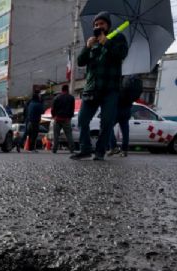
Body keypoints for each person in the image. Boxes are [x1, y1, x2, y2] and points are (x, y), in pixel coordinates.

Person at [72, 11, 129, 161]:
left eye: (101, 24)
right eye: (96, 24)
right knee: (82, 120)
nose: (98, 26)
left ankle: (100, 151)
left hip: (110, 88)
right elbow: (80, 62)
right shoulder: (92, 42)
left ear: (108, 25)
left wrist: (106, 42)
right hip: (91, 88)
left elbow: (121, 55)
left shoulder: (118, 38)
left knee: (107, 122)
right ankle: (85, 149)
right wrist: (87, 47)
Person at [110, 75, 143, 156]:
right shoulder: (132, 84)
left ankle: (113, 147)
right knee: (125, 131)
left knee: (108, 128)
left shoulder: (121, 82)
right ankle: (124, 150)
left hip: (117, 109)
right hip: (127, 109)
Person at [50, 85, 75, 154]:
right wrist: (69, 117)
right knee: (69, 134)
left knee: (56, 135)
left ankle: (54, 149)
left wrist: (54, 116)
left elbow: (52, 109)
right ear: (68, 89)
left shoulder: (56, 98)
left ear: (62, 90)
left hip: (57, 118)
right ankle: (72, 149)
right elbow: (72, 109)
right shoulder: (71, 98)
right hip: (66, 119)